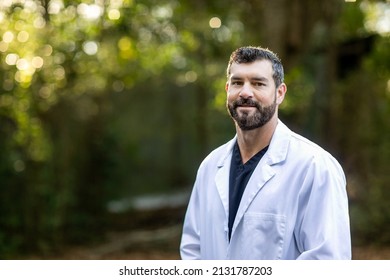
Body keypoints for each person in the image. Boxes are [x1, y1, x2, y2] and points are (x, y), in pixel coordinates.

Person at [180, 46, 351, 260]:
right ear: (227, 90)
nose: (245, 92)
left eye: (258, 83)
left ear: (279, 93)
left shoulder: (315, 166)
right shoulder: (210, 166)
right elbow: (193, 249)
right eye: (237, 82)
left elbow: (327, 262)